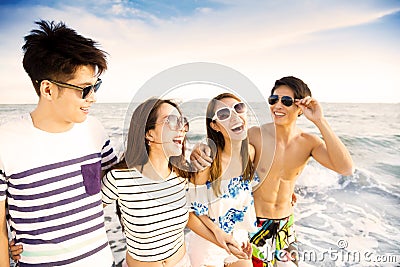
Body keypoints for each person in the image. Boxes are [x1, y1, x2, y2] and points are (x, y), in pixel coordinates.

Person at [191, 77, 354, 266]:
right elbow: (224, 147)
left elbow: (346, 168)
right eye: (273, 99)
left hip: (286, 225)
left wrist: (320, 121)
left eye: (286, 101)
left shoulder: (309, 142)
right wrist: (200, 148)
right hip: (254, 227)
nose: (278, 105)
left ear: (301, 107)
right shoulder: (254, 135)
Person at [0, 20, 117, 267]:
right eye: (84, 89)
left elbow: (118, 183)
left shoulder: (95, 130)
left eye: (96, 86)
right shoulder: (5, 143)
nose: (93, 98)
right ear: (48, 90)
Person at [101, 98, 247, 267]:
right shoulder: (119, 178)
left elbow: (189, 218)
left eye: (183, 122)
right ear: (149, 133)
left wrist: (221, 237)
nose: (182, 129)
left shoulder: (182, 176)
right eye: (171, 121)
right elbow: (89, 216)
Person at [186, 93, 257, 267]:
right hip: (208, 244)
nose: (235, 116)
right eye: (224, 114)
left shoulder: (251, 153)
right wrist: (220, 236)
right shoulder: (208, 160)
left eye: (238, 108)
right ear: (215, 126)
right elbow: (189, 212)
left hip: (239, 241)